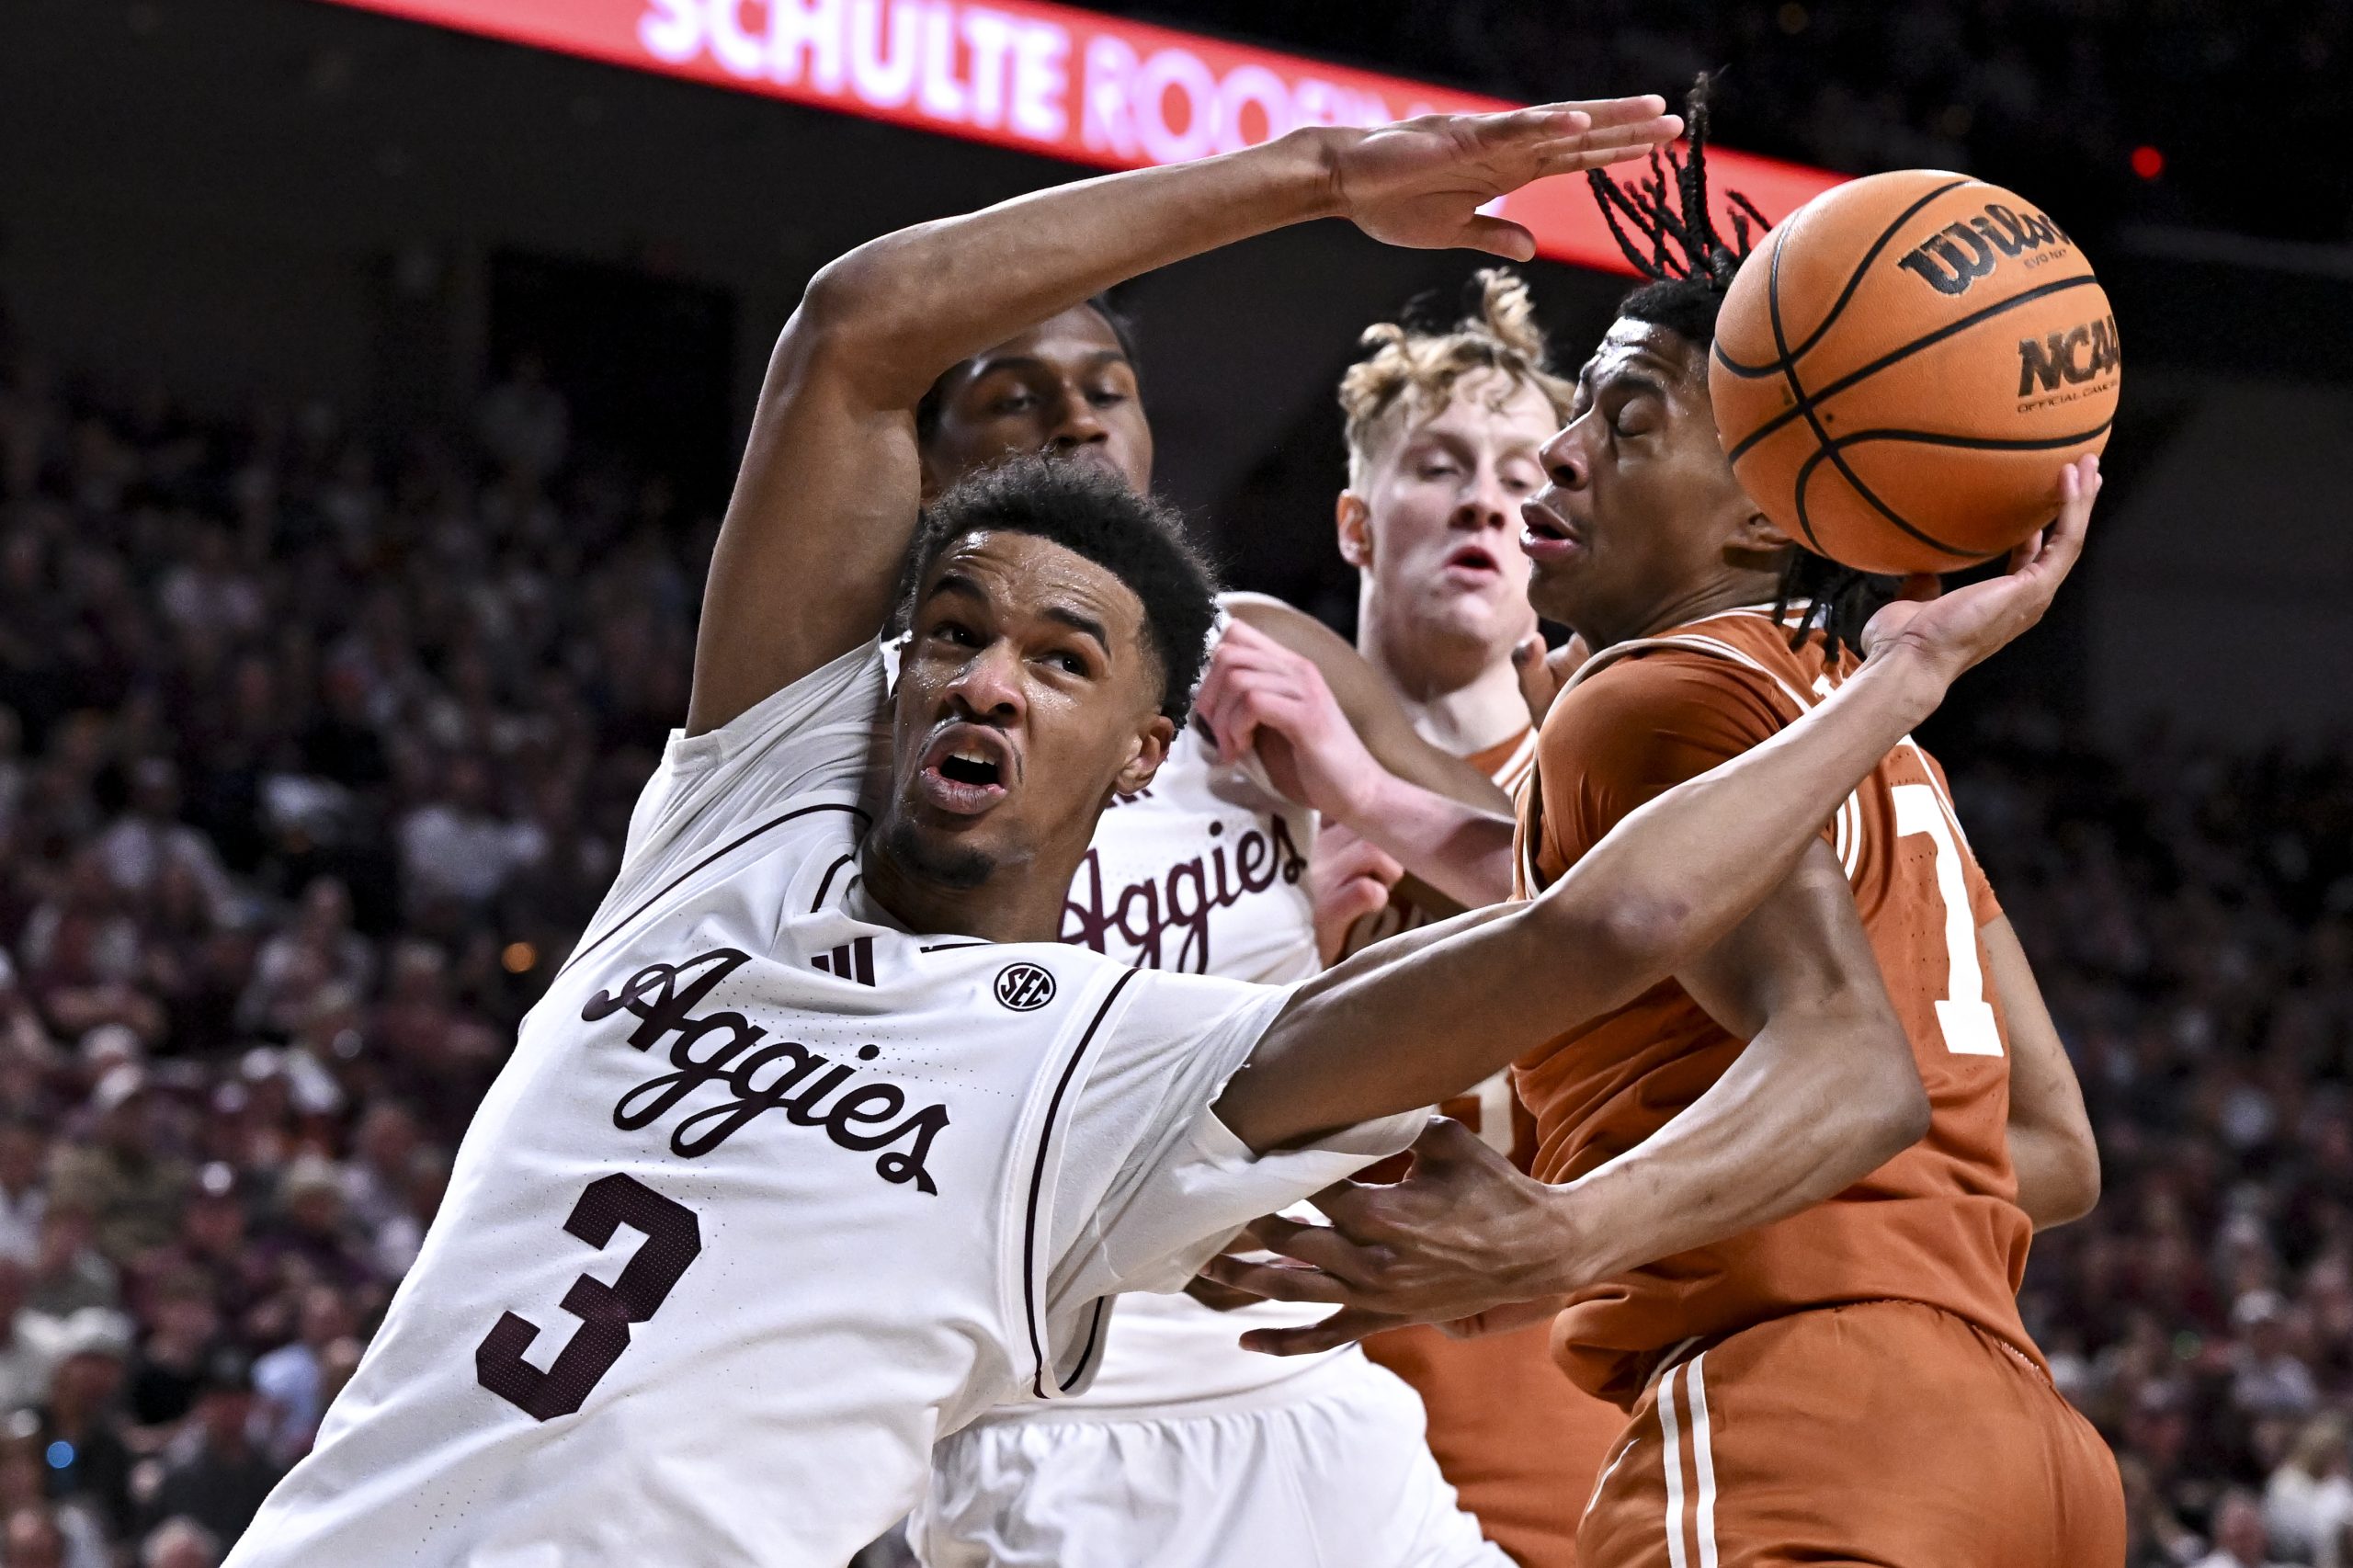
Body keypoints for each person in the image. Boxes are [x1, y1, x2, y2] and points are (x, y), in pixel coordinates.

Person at [225, 98, 2087, 1568]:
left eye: (1056, 656)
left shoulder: (1101, 1057)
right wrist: (1315, 175)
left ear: (1148, 741)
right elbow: (853, 330)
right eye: (947, 635)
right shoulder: (735, 826)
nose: (981, 681)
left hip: (1296, 1418)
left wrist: (1894, 666)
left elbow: (1597, 927)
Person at [1205, 86, 2120, 1568]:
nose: (1559, 458)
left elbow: (1849, 1070)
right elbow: (2053, 1146)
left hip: (1792, 1418)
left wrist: (1569, 1231)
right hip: (2023, 1450)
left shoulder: (1648, 699)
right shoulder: (1867, 741)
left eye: (1624, 422)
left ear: (1768, 514)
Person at [909, 295, 1512, 1563]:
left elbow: (1547, 898)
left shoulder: (1258, 649)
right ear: (924, 461)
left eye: (1107, 387)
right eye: (1019, 393)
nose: (1076, 413)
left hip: (1300, 1376)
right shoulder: (887, 714)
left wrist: (1355, 784)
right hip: (1042, 1421)